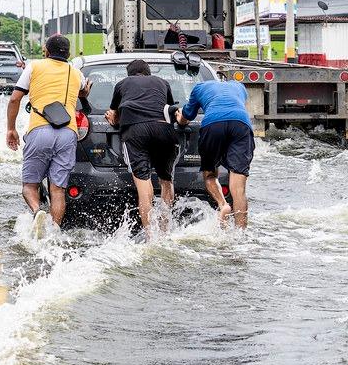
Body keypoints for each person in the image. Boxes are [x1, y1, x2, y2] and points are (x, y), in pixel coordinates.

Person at [6, 34, 88, 230]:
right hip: (68, 133)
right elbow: (84, 92)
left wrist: (11, 129)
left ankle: (37, 212)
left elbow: (15, 99)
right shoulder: (75, 73)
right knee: (58, 190)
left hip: (40, 130)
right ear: (68, 53)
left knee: (29, 186)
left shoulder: (34, 66)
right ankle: (53, 231)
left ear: (46, 51)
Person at [104, 59, 179, 235]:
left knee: (144, 186)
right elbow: (168, 108)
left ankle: (150, 236)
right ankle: (165, 230)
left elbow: (113, 112)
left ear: (129, 74)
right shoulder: (163, 82)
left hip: (136, 132)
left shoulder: (123, 84)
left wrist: (114, 120)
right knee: (166, 182)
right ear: (149, 72)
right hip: (164, 131)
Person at [175, 72, 255, 229]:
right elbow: (237, 106)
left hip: (213, 123)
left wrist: (179, 118)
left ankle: (222, 204)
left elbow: (186, 117)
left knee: (210, 174)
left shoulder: (199, 88)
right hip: (241, 123)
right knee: (238, 188)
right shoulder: (239, 86)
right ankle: (241, 234)